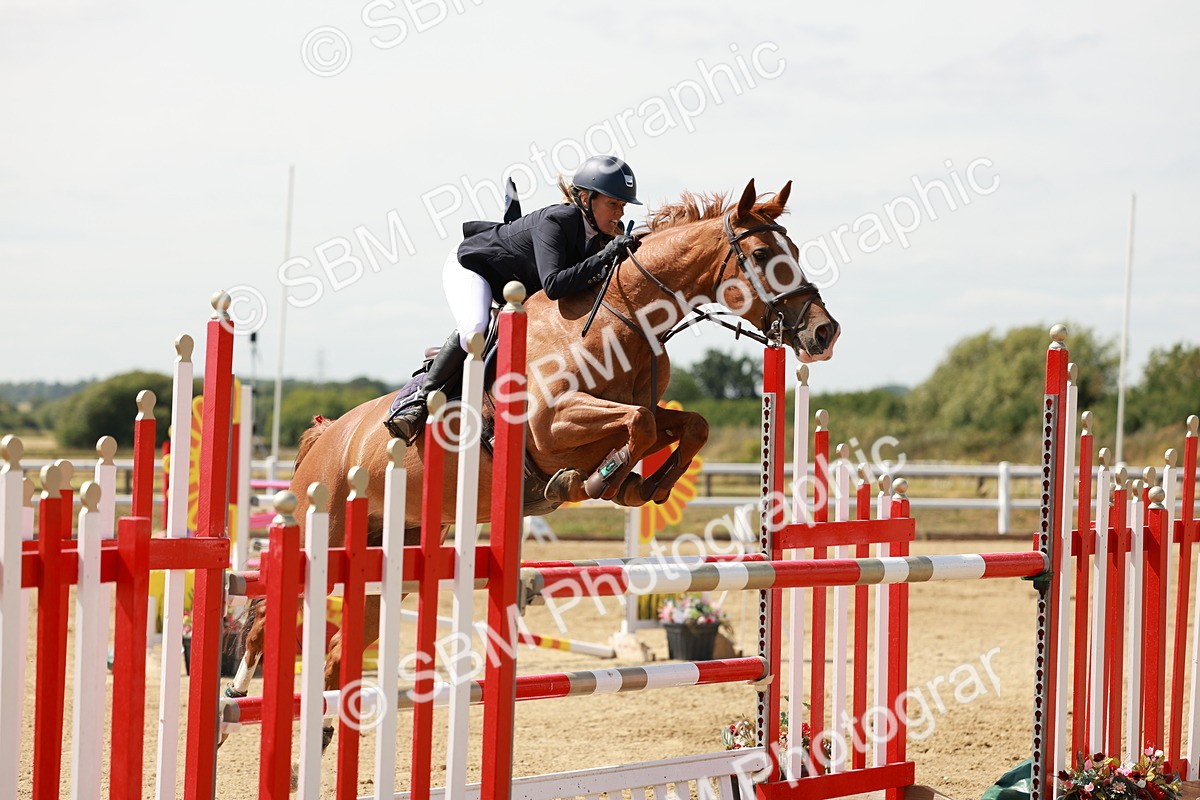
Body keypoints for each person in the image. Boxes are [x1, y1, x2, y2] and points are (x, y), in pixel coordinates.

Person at [385, 155, 643, 442]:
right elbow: (555, 285)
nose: (619, 213)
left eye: (622, 205)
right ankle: (420, 402)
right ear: (585, 197)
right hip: (474, 267)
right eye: (612, 204)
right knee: (475, 328)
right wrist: (606, 256)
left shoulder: (600, 236)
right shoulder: (560, 219)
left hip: (518, 286)